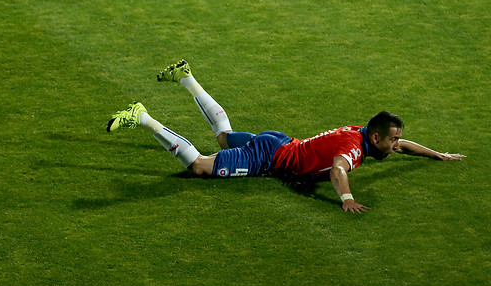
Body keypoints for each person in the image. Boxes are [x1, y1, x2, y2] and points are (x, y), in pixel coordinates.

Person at [107, 60, 465, 213]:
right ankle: (143, 117)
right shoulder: (354, 149)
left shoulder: (363, 132)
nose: (395, 145)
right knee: (200, 166)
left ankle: (186, 77)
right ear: (374, 138)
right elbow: (339, 169)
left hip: (279, 141)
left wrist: (438, 155)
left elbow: (403, 146)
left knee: (224, 138)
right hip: (270, 157)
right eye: (391, 141)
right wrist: (346, 198)